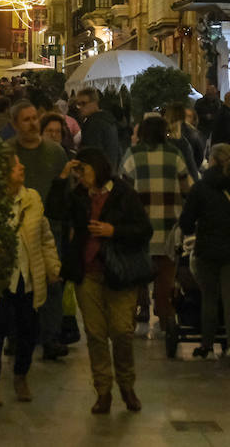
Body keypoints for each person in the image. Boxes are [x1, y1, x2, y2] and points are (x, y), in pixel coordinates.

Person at [46, 148, 153, 414]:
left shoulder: (123, 194)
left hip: (119, 272)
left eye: (85, 170)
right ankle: (103, 390)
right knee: (94, 334)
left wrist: (113, 231)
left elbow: (144, 230)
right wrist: (62, 178)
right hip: (88, 273)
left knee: (121, 331)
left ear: (98, 168)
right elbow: (55, 211)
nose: (81, 176)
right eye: (78, 171)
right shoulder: (79, 196)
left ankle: (126, 385)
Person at [0, 150, 61, 406]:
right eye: (16, 166)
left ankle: (21, 376)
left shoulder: (33, 199)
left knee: (29, 332)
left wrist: (53, 268)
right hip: (0, 278)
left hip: (28, 278)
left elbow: (45, 237)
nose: (22, 168)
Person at [178, 143, 230, 364]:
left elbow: (186, 222)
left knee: (209, 298)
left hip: (206, 251)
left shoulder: (200, 188)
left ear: (211, 161)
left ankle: (206, 345)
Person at [118, 115, 190, 338]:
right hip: (169, 227)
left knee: (139, 272)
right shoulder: (175, 155)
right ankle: (165, 314)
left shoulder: (133, 155)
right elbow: (186, 188)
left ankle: (142, 308)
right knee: (165, 275)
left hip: (140, 228)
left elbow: (123, 190)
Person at [10, 101, 71, 361]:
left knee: (52, 281)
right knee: (17, 285)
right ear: (15, 125)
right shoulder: (7, 153)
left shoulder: (56, 153)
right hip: (16, 229)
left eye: (35, 118)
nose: (33, 123)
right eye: (26, 119)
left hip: (51, 227)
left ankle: (51, 337)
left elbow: (65, 194)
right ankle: (15, 337)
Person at [73, 87, 124, 172]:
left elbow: (92, 155)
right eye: (78, 104)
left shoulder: (93, 124)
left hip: (98, 175)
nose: (80, 107)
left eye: (83, 103)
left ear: (94, 103)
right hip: (110, 173)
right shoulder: (108, 120)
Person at [163, 102, 204, 179]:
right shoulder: (194, 132)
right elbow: (200, 156)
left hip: (172, 175)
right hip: (189, 176)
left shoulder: (167, 134)